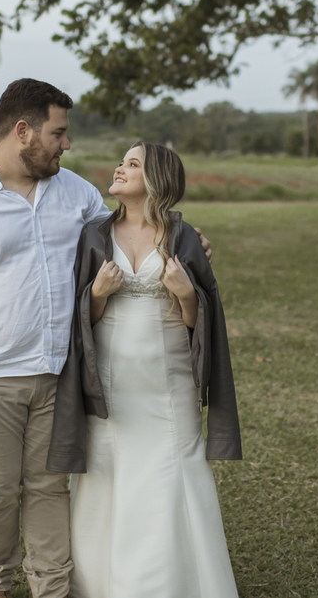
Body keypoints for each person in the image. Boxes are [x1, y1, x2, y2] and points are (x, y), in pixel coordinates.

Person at [0, 80, 210, 598]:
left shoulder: (75, 193)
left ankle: (51, 588)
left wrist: (186, 237)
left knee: (51, 487)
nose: (66, 144)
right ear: (23, 131)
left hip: (60, 369)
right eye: (59, 133)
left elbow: (127, 233)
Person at [48, 141, 242, 598]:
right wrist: (95, 295)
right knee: (106, 476)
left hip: (167, 384)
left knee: (166, 473)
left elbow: (204, 325)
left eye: (132, 164)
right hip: (109, 384)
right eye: (122, 161)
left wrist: (187, 294)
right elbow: (80, 320)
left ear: (155, 180)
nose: (119, 167)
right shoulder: (94, 234)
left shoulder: (185, 237)